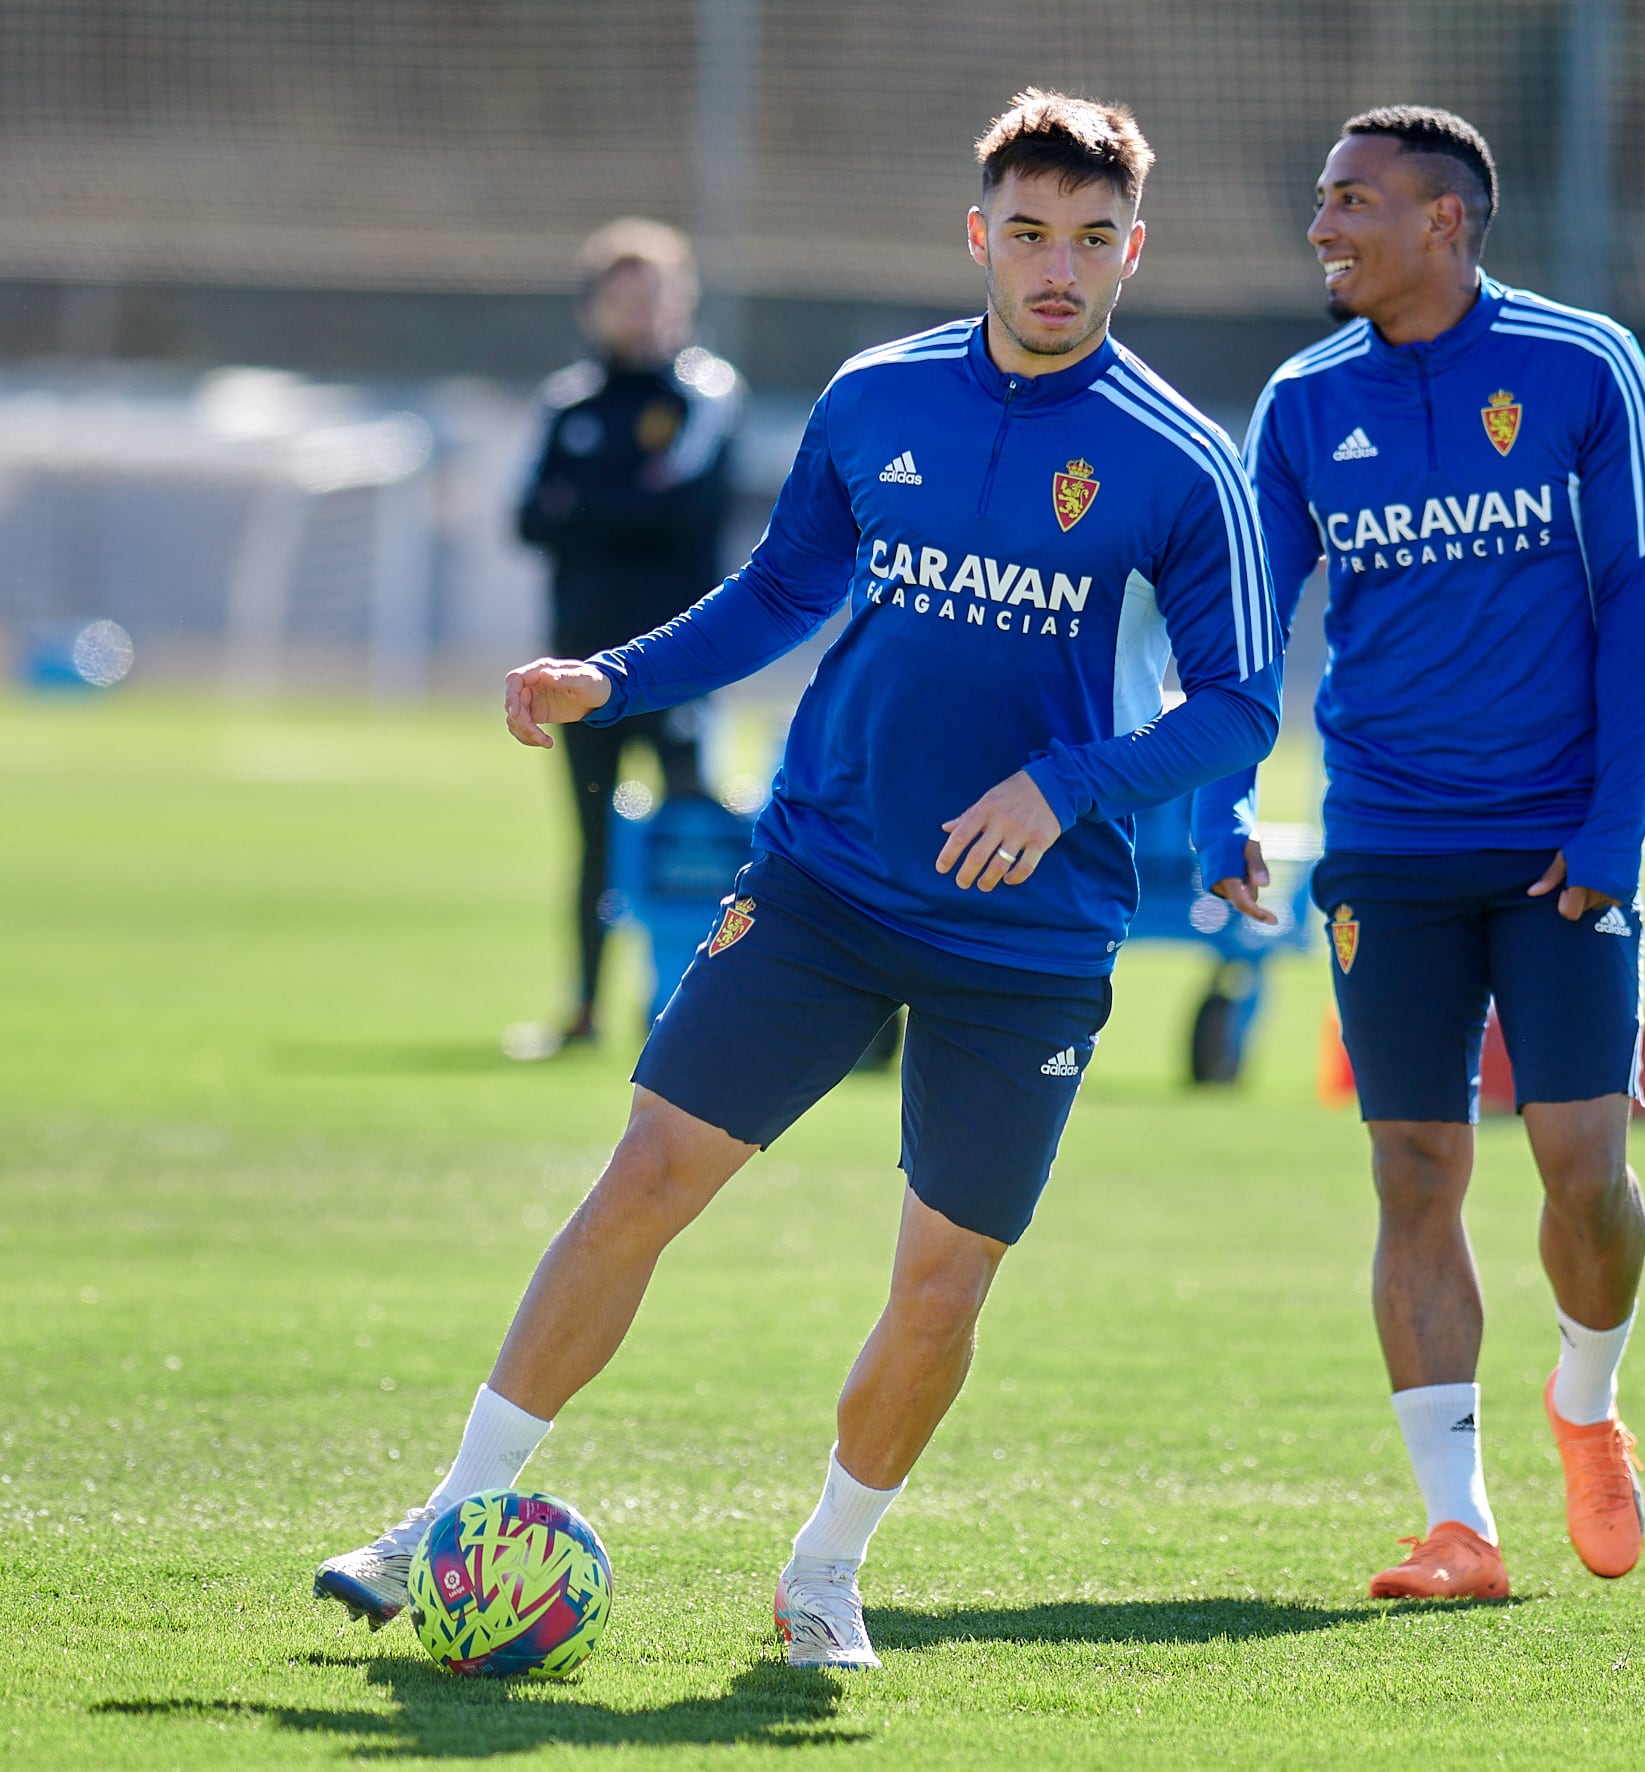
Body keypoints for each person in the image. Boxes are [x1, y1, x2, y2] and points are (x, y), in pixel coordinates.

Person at [316, 90, 1281, 1671]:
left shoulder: (1182, 463)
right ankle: (446, 1514)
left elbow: (1240, 702)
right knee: (642, 1180)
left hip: (1028, 936)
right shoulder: (875, 395)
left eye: (1092, 241)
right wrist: (610, 679)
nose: (1058, 268)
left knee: (939, 1290)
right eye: (1029, 234)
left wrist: (1063, 786)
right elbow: (783, 589)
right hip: (823, 879)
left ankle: (825, 1573)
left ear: (1133, 252)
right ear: (979, 234)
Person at [1201, 107, 1645, 1600]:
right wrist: (1222, 805)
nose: (1323, 228)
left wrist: (1610, 819)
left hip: (1555, 843)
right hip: (1387, 842)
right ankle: (1456, 1523)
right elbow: (1245, 637)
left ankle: (1585, 1404)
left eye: (1350, 203)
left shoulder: (1583, 367)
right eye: (1320, 199)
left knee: (1580, 1170)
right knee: (1415, 1166)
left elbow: (1640, 596)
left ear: (1443, 224)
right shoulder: (1297, 401)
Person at [517, 217, 743, 1047]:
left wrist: (587, 505)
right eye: (625, 293)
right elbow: (526, 518)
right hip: (579, 669)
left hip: (680, 663)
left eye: (658, 292)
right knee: (593, 839)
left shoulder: (706, 394)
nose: (642, 310)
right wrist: (611, 506)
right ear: (593, 307)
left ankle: (688, 1015)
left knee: (695, 834)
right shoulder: (567, 403)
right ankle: (581, 1011)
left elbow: (675, 504)